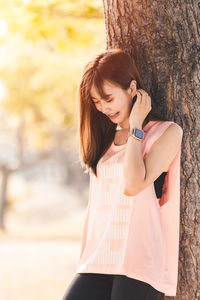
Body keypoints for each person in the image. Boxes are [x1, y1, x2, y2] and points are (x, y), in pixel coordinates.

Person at [62, 48, 183, 300]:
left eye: (108, 98)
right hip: (98, 258)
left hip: (138, 260)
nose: (103, 108)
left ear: (132, 88)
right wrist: (84, 256)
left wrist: (136, 128)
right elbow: (96, 205)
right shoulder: (104, 139)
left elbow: (133, 185)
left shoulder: (166, 133)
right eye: (96, 102)